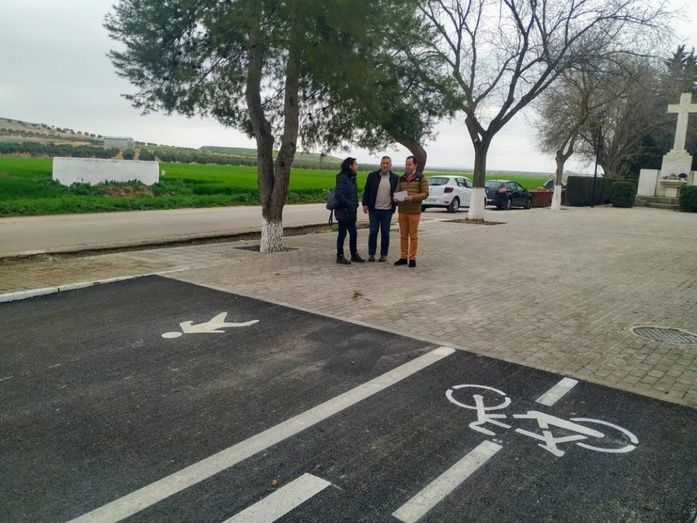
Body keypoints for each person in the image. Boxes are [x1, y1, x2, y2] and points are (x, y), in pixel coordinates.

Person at [394, 155, 428, 267]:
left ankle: (412, 258)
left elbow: (425, 194)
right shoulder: (401, 178)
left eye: (410, 164)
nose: (407, 166)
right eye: (406, 164)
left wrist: (412, 198)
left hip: (414, 211)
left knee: (413, 236)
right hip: (402, 211)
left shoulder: (422, 178)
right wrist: (395, 197)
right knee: (403, 235)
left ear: (415, 165)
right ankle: (403, 257)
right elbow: (397, 191)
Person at [362, 156, 398, 262]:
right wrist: (364, 204)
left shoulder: (395, 177)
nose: (385, 165)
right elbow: (367, 190)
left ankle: (383, 254)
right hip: (374, 210)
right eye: (383, 163)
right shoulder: (372, 176)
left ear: (390, 165)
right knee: (373, 232)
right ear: (380, 164)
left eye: (387, 163)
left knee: (385, 233)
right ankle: (371, 254)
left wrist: (397, 201)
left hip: (388, 210)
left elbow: (398, 192)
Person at [334, 157, 366, 264]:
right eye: (355, 164)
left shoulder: (352, 177)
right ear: (350, 166)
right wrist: (349, 205)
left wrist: (355, 204)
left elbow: (353, 193)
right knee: (342, 233)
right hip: (343, 211)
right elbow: (339, 194)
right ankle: (340, 256)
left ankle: (354, 254)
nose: (357, 166)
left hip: (351, 211)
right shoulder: (342, 177)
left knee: (353, 233)